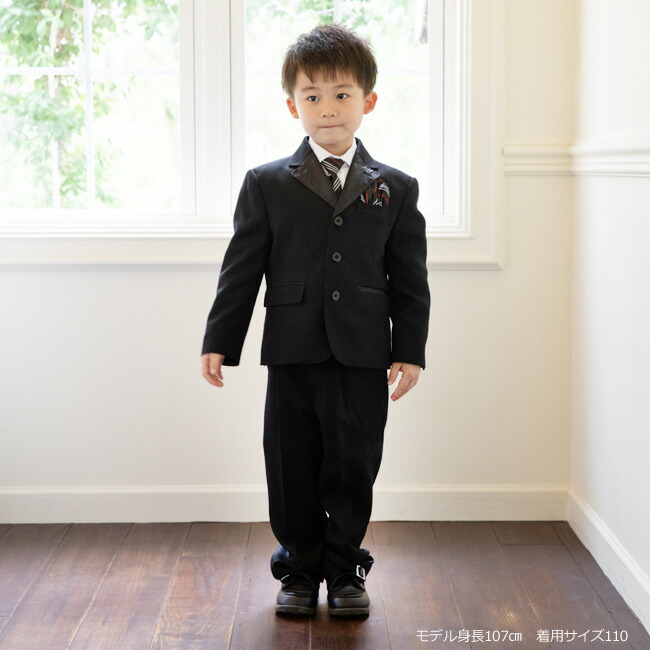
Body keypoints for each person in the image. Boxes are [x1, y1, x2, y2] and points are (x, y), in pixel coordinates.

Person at [200, 23, 430, 617]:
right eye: (312, 96)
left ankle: (346, 568)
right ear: (292, 106)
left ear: (368, 101)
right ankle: (299, 569)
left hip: (362, 351)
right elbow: (241, 270)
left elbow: (409, 280)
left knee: (354, 462)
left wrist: (410, 350)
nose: (328, 108)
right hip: (293, 346)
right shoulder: (266, 183)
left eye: (342, 94)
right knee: (290, 461)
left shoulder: (396, 188)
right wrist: (220, 340)